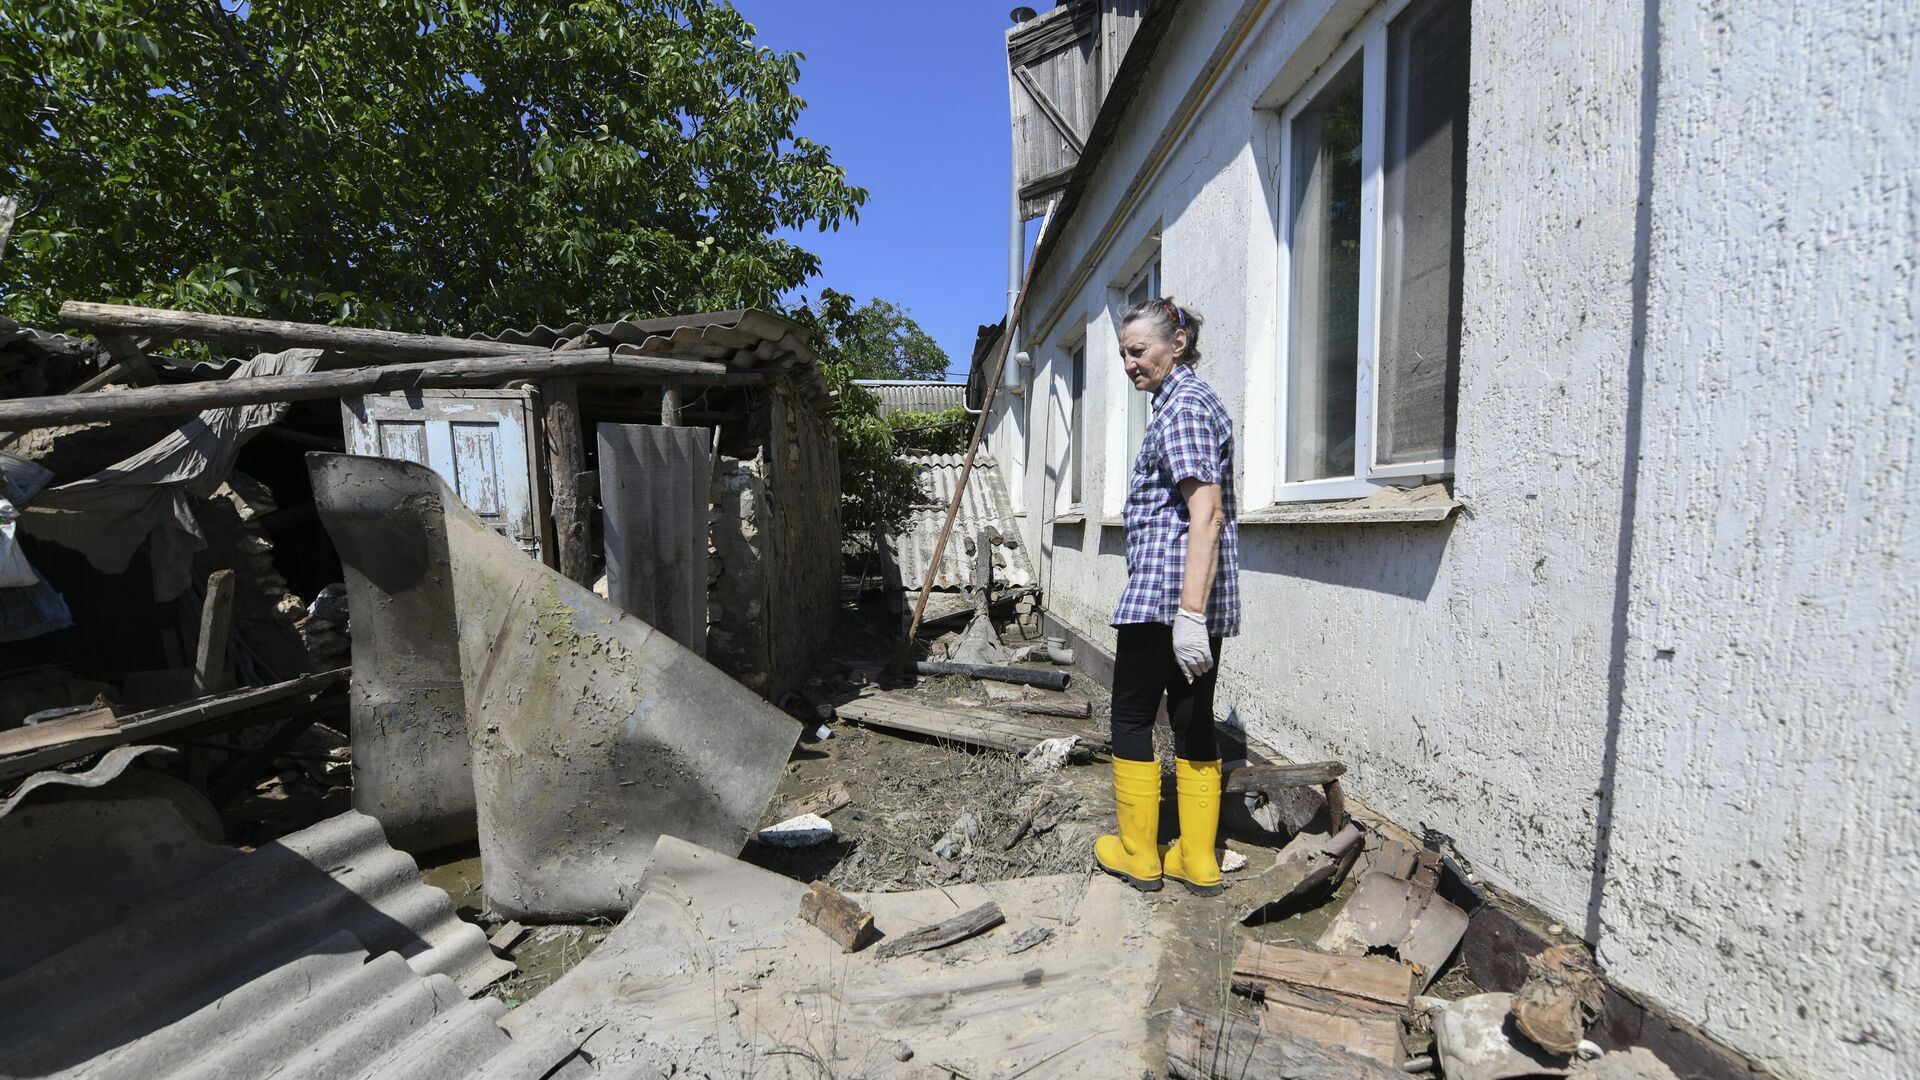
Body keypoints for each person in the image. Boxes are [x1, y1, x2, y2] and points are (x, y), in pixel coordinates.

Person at [1093, 297, 1239, 896]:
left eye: (1139, 350)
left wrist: (1188, 616)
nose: (1129, 363)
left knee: (1129, 716)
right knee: (1192, 719)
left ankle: (1140, 854)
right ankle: (1197, 860)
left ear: (1175, 345)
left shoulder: (1181, 408)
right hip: (1187, 601)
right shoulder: (1190, 403)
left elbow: (1205, 511)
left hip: (1166, 599)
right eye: (1124, 353)